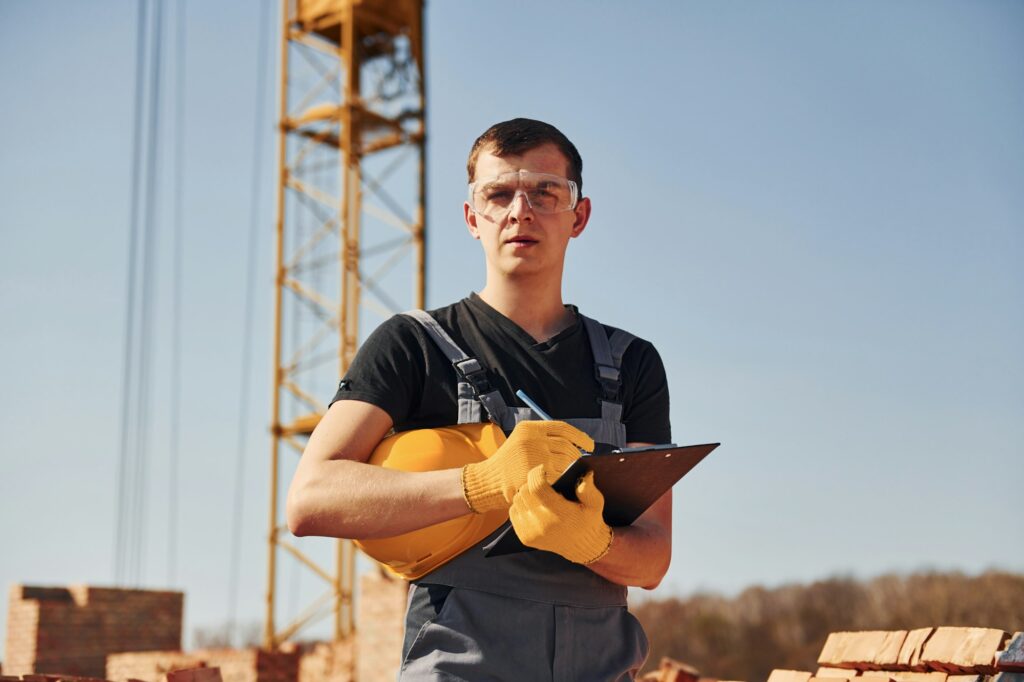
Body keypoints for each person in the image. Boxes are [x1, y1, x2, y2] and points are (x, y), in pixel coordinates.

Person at [287, 118, 673, 680]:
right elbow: (311, 498)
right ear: (473, 218)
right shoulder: (413, 344)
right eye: (498, 194)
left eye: (546, 192)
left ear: (578, 216)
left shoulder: (632, 363)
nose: (521, 211)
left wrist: (593, 541)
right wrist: (482, 483)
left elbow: (654, 558)